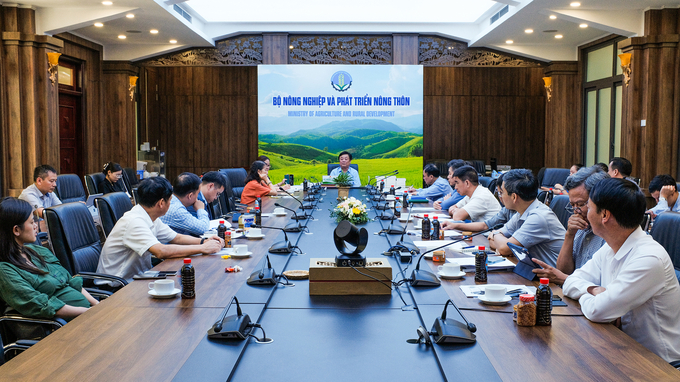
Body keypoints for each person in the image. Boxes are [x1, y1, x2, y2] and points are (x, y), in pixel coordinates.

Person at [563, 178, 680, 363]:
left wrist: (596, 299)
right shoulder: (610, 247)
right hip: (619, 348)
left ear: (605, 216)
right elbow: (569, 282)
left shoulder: (649, 258)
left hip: (658, 365)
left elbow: (597, 311)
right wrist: (594, 290)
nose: (585, 212)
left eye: (589, 206)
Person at [97, 177, 223, 282]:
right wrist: (202, 248)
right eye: (170, 200)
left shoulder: (150, 216)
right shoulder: (134, 222)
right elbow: (161, 251)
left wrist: (204, 241)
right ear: (161, 203)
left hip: (139, 278)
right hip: (117, 285)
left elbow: (176, 237)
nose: (171, 203)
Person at [0, 197, 97, 321]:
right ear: (16, 230)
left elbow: (70, 282)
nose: (36, 226)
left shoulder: (38, 251)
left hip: (85, 315)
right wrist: (89, 312)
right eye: (31, 222)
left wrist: (96, 305)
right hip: (61, 327)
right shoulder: (5, 270)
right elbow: (41, 305)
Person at [532, 166, 608, 284]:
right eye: (572, 205)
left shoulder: (609, 234)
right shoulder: (581, 226)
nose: (575, 211)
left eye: (580, 204)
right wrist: (569, 235)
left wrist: (563, 279)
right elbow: (564, 271)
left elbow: (600, 287)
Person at [488, 169, 565, 267]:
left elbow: (503, 247)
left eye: (501, 192)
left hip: (552, 280)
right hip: (533, 271)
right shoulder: (523, 211)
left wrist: (495, 233)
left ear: (514, 197)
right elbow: (497, 244)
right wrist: (504, 244)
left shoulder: (538, 217)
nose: (501, 197)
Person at [442, 173, 516, 232]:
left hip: (486, 237)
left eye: (501, 193)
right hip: (485, 236)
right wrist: (454, 225)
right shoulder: (506, 210)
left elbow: (457, 216)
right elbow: (485, 225)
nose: (455, 187)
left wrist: (459, 213)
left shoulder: (482, 196)